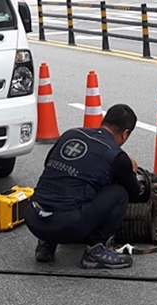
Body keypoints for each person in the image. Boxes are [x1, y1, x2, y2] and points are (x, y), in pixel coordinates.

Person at [24, 104, 147, 269]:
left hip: (34, 219)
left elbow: (48, 164)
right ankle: (95, 250)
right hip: (67, 226)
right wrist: (130, 171)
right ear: (125, 133)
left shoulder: (71, 134)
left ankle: (46, 244)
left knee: (61, 185)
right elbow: (134, 194)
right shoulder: (116, 155)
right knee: (119, 193)